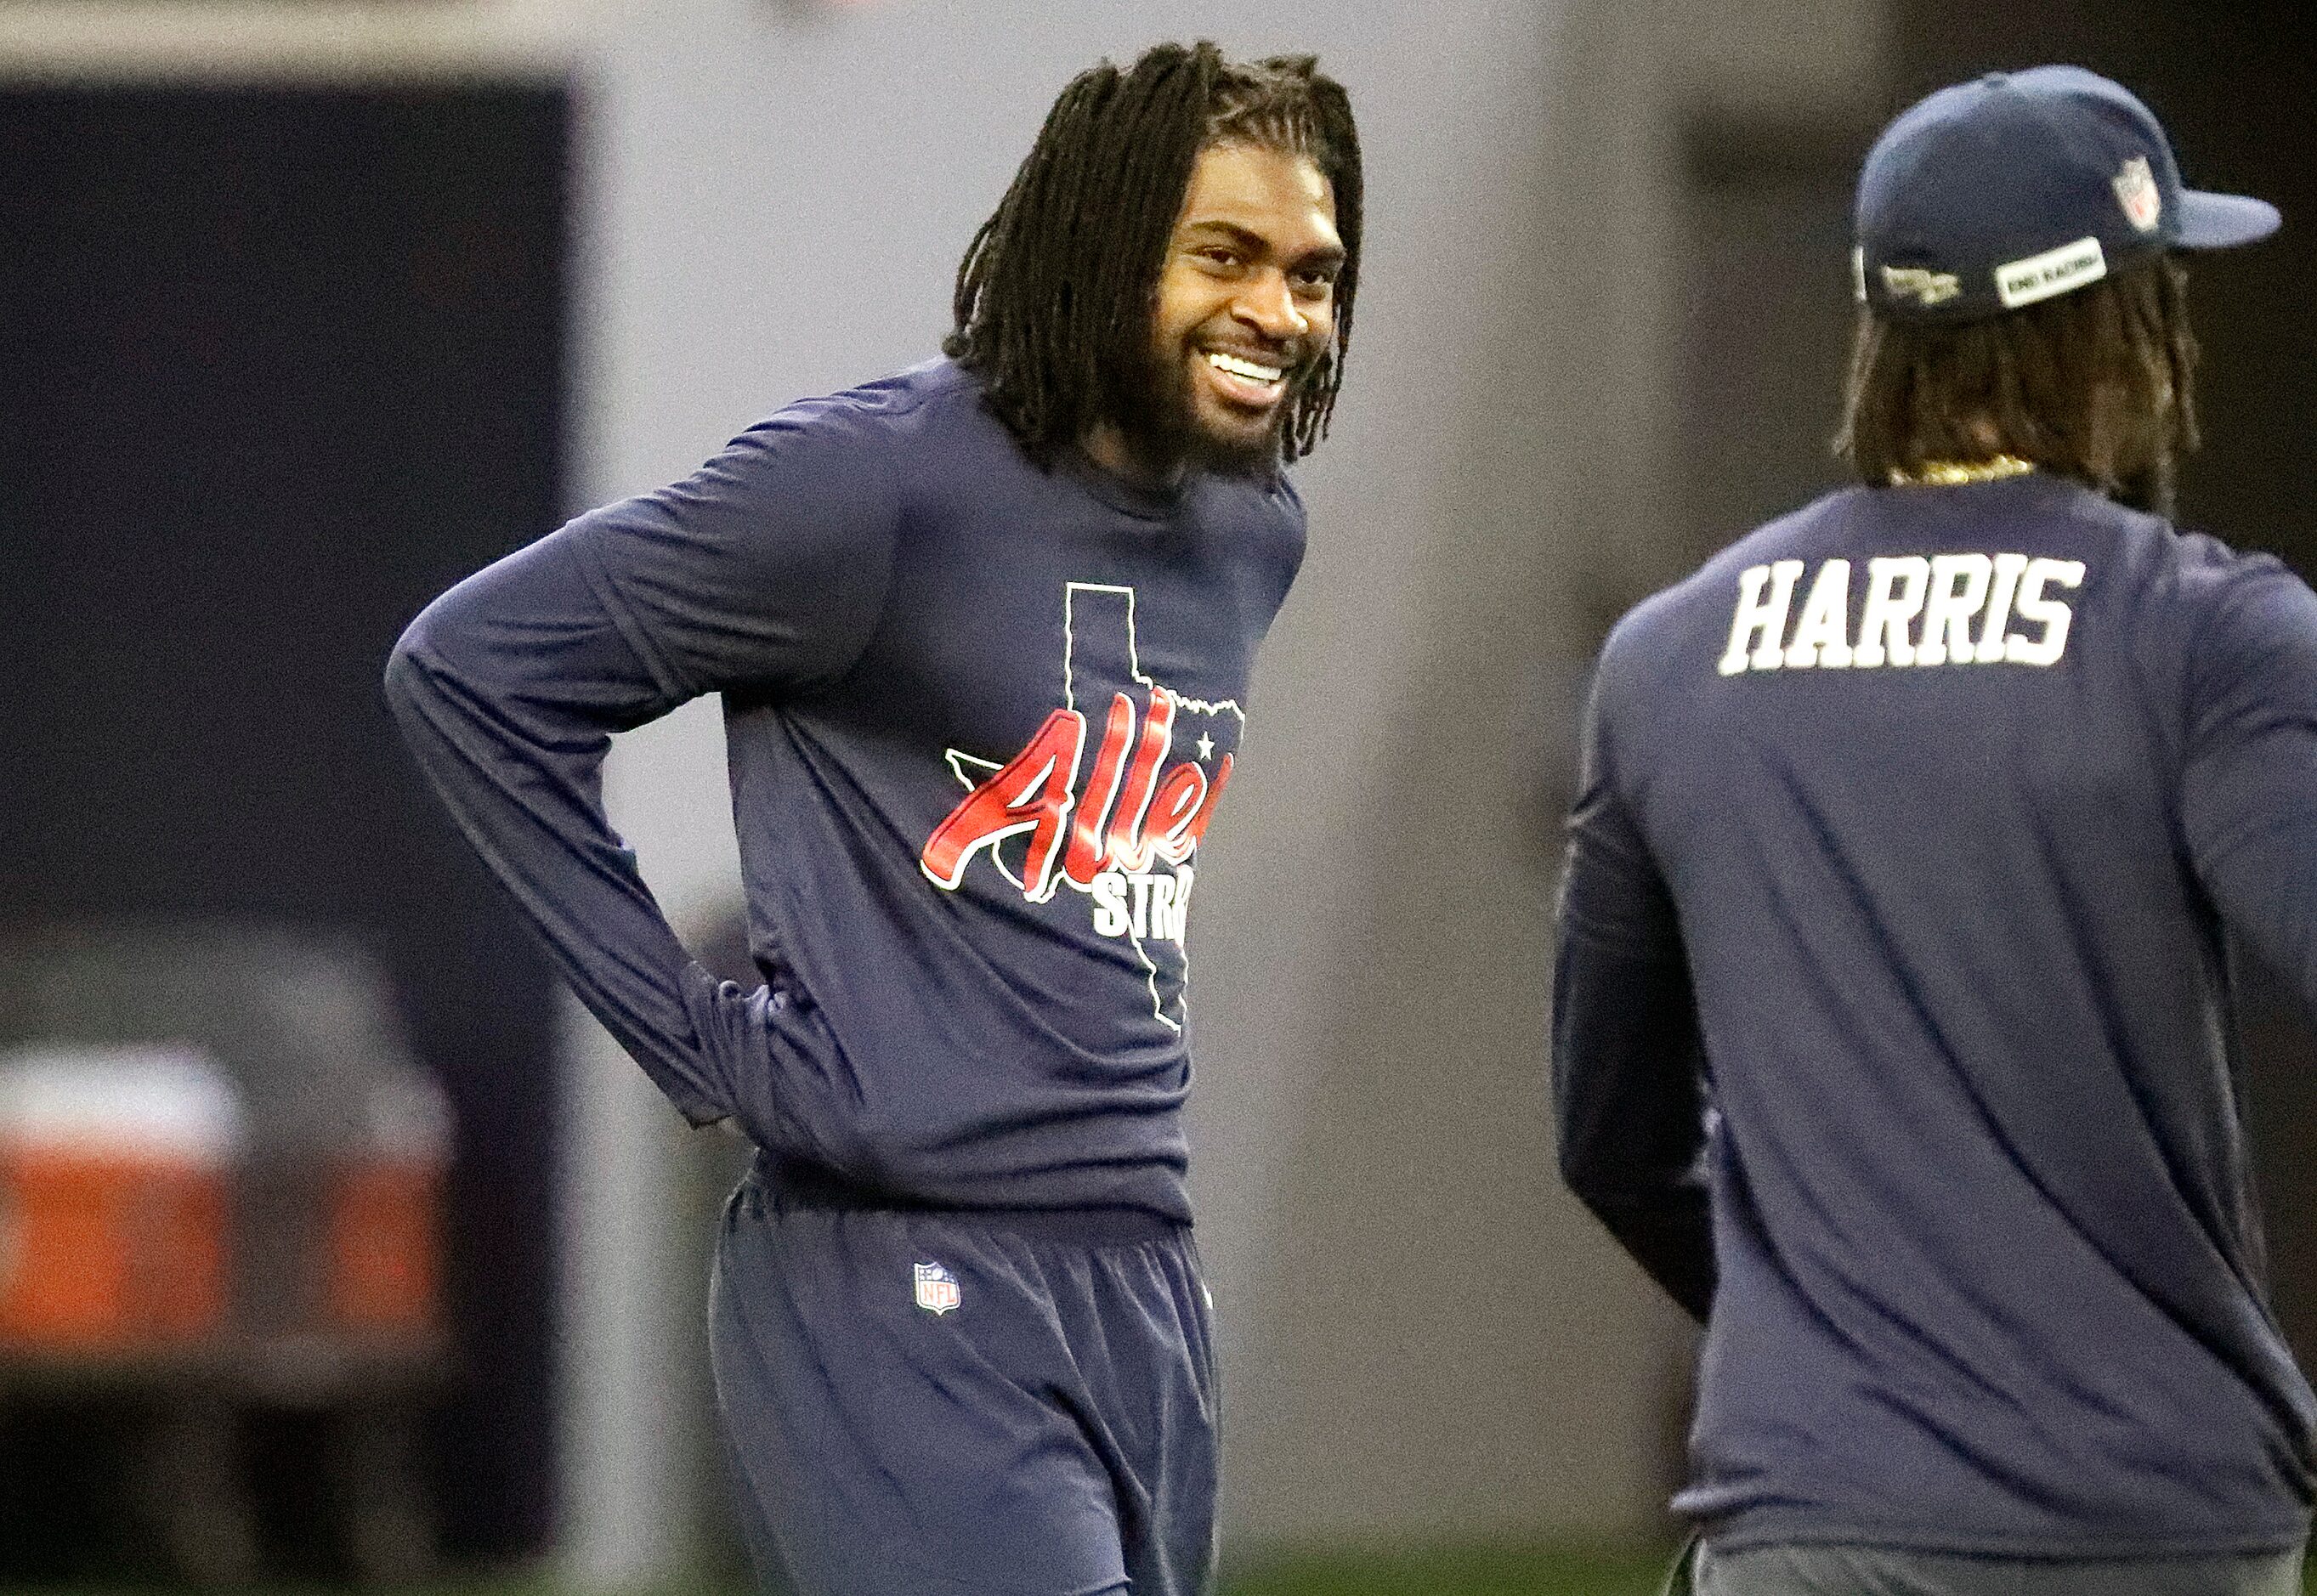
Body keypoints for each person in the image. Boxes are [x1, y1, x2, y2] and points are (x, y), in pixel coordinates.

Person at [384, 42, 1359, 1596]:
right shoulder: (870, 487)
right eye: (1224, 257)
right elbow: (472, 675)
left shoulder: (1252, 535)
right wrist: (694, 1039)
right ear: (1105, 249)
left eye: (1312, 273)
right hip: (893, 1272)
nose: (1281, 313)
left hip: (1140, 1277)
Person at [1553, 65, 2312, 1596]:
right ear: (2118, 331)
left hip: (1816, 1517)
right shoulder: (2202, 636)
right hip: (2155, 1526)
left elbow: (1610, 1134)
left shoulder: (1667, 660)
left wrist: (1849, 1329)